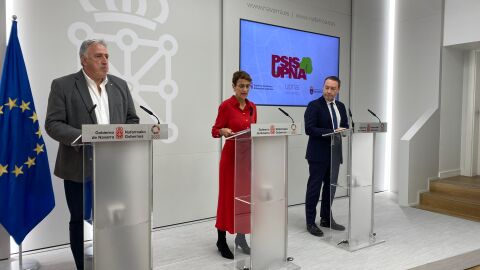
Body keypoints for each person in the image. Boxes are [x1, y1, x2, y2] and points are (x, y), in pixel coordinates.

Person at [45, 39, 139, 269]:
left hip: (113, 168)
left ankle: (112, 260)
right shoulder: (63, 85)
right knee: (79, 220)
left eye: (107, 56)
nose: (105, 61)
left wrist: (122, 138)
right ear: (83, 60)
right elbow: (53, 123)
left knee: (114, 219)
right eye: (98, 56)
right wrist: (83, 137)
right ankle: (82, 266)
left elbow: (132, 119)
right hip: (78, 166)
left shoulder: (120, 85)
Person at [211, 71, 257, 259]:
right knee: (227, 198)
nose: (245, 89)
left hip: (247, 159)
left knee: (244, 198)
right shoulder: (226, 106)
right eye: (241, 86)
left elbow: (255, 130)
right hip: (230, 159)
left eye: (247, 86)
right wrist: (222, 131)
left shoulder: (253, 107)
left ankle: (241, 238)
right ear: (234, 86)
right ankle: (221, 240)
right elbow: (214, 130)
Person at [304, 76, 348, 237]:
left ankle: (326, 218)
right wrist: (331, 132)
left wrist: (343, 131)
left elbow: (345, 125)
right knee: (314, 189)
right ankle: (310, 222)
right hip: (318, 154)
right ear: (323, 87)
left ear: (338, 90)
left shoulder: (341, 107)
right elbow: (309, 129)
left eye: (332, 88)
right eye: (326, 87)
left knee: (331, 187)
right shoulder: (314, 105)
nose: (329, 91)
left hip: (335, 153)